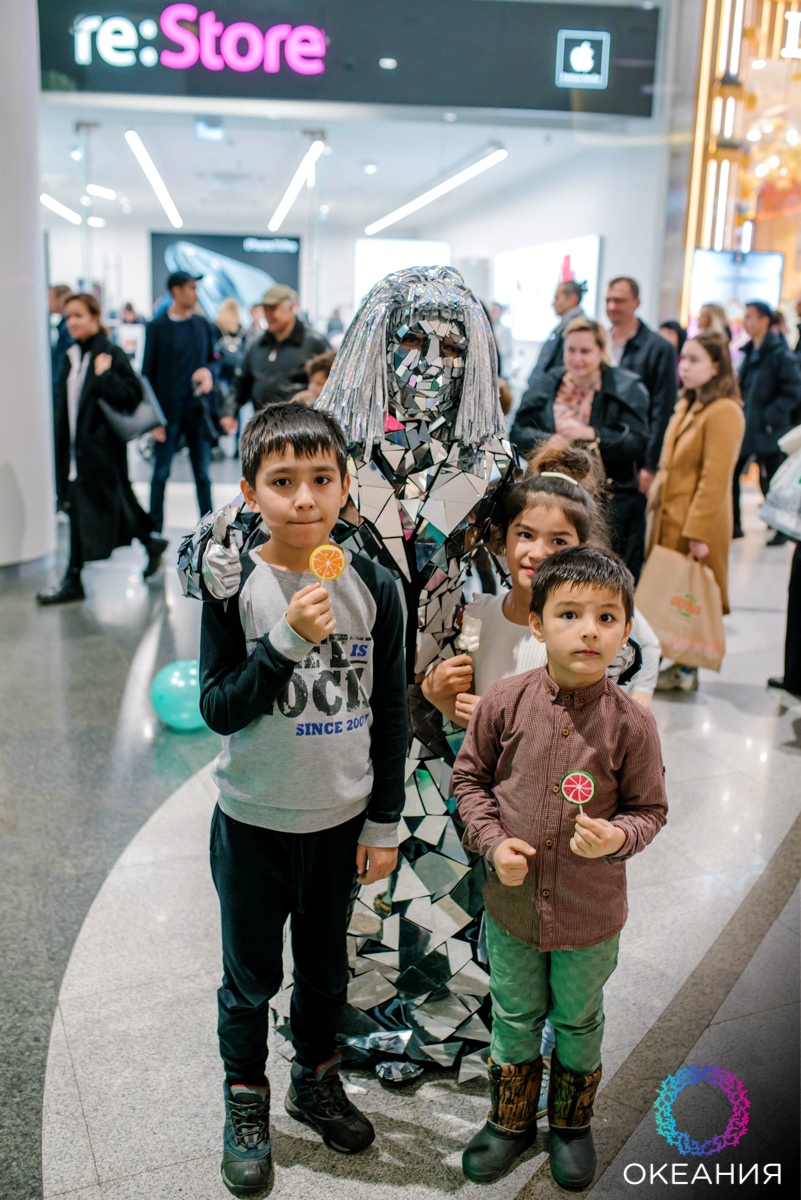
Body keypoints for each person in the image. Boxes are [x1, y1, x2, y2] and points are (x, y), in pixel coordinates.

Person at [199, 402, 407, 1195]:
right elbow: (219, 707)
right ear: (250, 493)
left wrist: (382, 821)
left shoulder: (374, 586)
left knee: (323, 971)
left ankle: (314, 1080)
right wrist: (285, 641)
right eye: (281, 482)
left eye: (321, 478)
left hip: (338, 822)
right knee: (249, 976)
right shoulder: (232, 587)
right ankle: (244, 1097)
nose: (304, 498)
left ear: (346, 485)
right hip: (251, 820)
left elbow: (389, 713)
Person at [453, 546, 667, 1190]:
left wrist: (618, 837)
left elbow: (650, 810)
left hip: (588, 914)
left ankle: (572, 1123)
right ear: (538, 624)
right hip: (513, 908)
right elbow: (470, 782)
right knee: (514, 1015)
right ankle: (509, 1120)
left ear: (625, 632)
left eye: (607, 617)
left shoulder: (632, 724)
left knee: (577, 1018)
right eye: (570, 614)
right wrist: (493, 842)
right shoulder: (504, 701)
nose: (589, 630)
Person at [36, 293, 168, 604]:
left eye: (78, 315)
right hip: (75, 451)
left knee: (92, 508)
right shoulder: (70, 356)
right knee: (109, 505)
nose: (72, 322)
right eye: (68, 316)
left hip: (102, 453)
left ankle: (73, 578)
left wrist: (104, 376)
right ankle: (149, 542)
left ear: (95, 317)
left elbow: (131, 396)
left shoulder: (109, 354)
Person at [510, 317, 650, 578]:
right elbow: (517, 431)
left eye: (585, 351)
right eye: (571, 350)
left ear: (601, 350)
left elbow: (637, 442)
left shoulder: (627, 388)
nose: (577, 359)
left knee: (606, 576)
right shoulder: (548, 383)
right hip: (552, 498)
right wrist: (548, 440)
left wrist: (591, 434)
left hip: (611, 502)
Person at [649, 332, 745, 692]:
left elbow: (715, 479)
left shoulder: (724, 411)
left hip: (694, 523)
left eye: (694, 360)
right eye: (683, 358)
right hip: (671, 516)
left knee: (689, 597)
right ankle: (676, 660)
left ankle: (687, 667)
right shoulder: (688, 403)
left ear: (717, 367)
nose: (684, 367)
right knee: (671, 592)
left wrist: (698, 533)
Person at [142, 270, 220, 532]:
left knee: (203, 475)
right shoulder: (157, 328)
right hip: (167, 414)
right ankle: (154, 532)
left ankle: (209, 530)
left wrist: (208, 372)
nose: (195, 293)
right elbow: (147, 374)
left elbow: (215, 361)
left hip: (197, 412)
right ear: (176, 291)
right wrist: (153, 420)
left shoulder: (203, 326)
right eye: (191, 288)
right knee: (160, 473)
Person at [733, 300, 801, 545]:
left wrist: (771, 416)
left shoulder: (780, 353)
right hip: (749, 426)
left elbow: (793, 390)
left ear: (764, 320)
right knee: (734, 473)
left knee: (773, 478)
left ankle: (781, 527)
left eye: (750, 317)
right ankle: (734, 525)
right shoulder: (751, 351)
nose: (746, 322)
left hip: (771, 429)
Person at [606, 276, 678, 495]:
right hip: (603, 450)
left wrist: (650, 464)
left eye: (619, 300)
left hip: (635, 457)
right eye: (608, 300)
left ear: (636, 303)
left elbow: (662, 409)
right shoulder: (599, 343)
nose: (612, 306)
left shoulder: (659, 348)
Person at [225, 284, 328, 424]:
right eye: (265, 309)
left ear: (291, 308)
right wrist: (230, 412)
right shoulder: (257, 346)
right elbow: (242, 382)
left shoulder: (315, 344)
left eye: (273, 309)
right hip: (263, 426)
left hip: (299, 427)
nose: (268, 315)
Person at [528, 280, 586, 382]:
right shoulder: (563, 327)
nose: (553, 303)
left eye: (557, 298)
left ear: (572, 299)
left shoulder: (577, 329)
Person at [49, 284, 74, 403]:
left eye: (50, 297)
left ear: (60, 300)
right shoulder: (63, 326)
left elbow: (61, 363)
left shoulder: (67, 328)